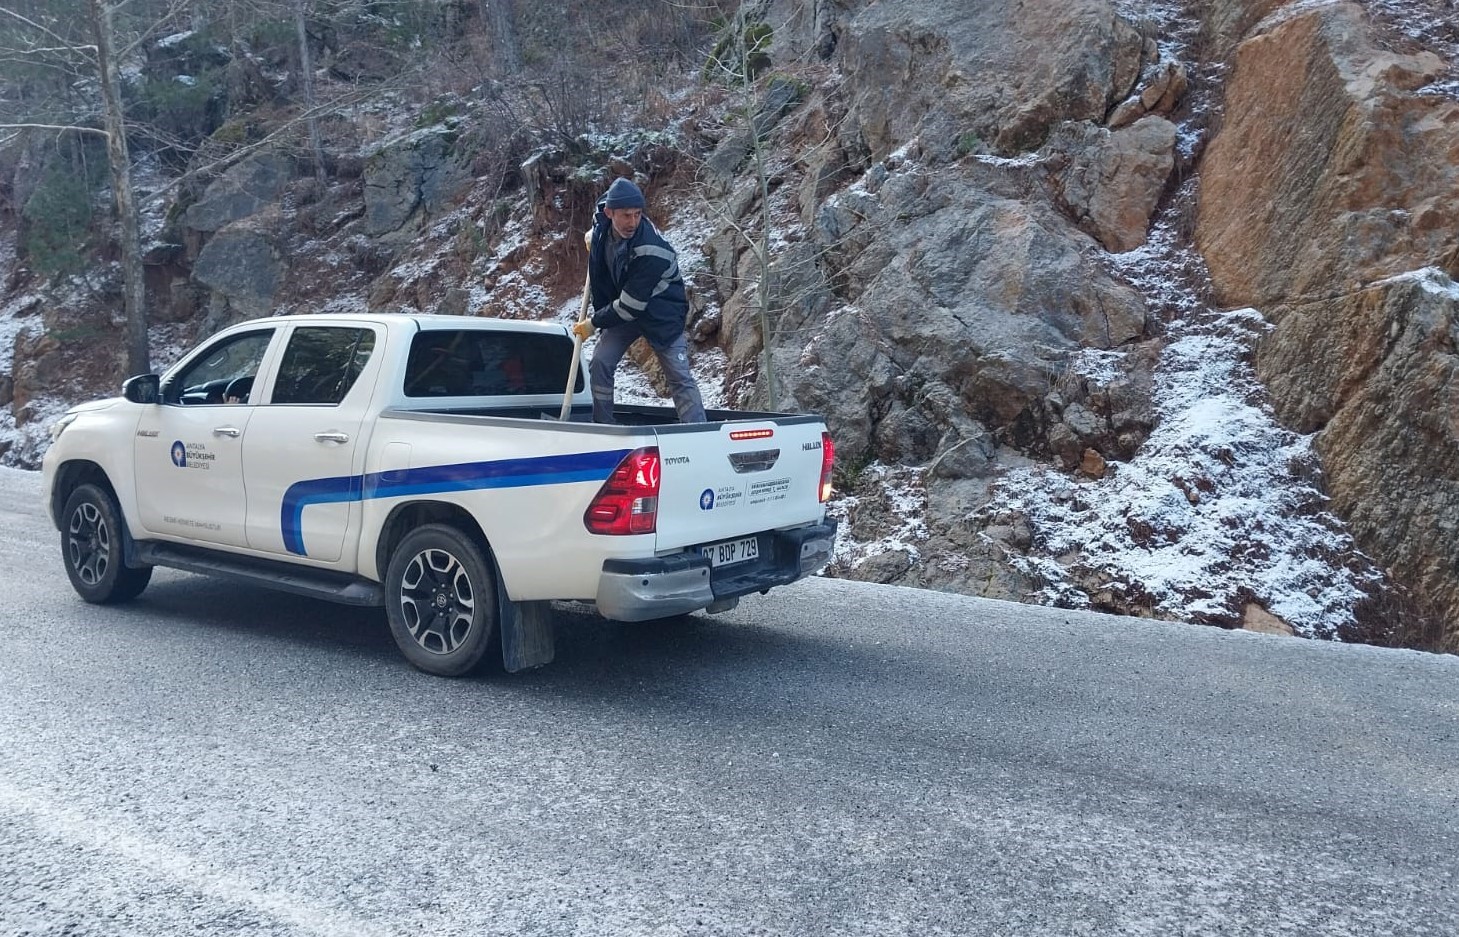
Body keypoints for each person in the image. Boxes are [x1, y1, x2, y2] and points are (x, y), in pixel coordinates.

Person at [571, 177, 706, 424]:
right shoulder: (604, 215)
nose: (633, 221)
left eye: (637, 214)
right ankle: (603, 428)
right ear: (610, 212)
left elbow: (630, 306)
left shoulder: (651, 250)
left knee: (679, 377)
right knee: (600, 363)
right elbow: (599, 214)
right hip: (625, 307)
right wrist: (596, 235)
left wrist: (594, 323)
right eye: (626, 215)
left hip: (660, 312)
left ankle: (697, 430)